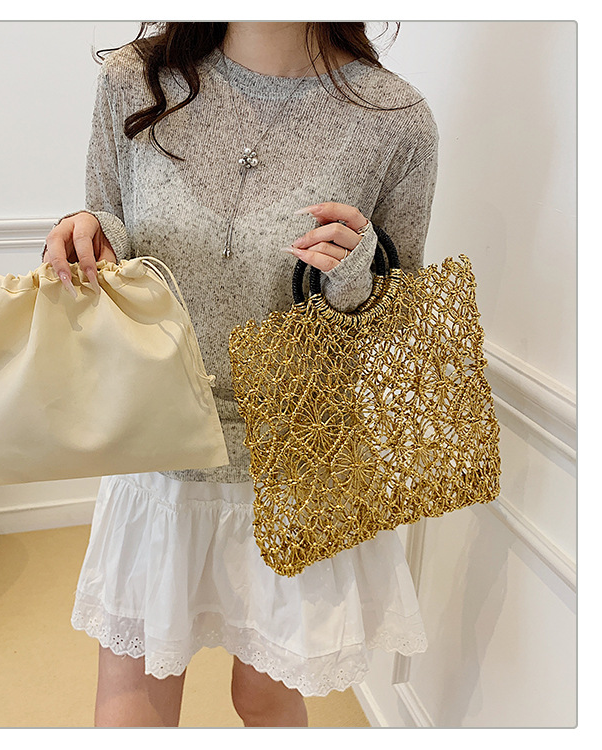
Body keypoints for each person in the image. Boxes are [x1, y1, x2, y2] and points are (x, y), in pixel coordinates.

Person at [43, 21, 438, 728]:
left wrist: (355, 275)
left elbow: (393, 325)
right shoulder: (136, 80)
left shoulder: (395, 119)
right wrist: (89, 237)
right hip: (161, 446)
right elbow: (114, 221)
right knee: (132, 700)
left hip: (294, 456)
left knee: (265, 696)